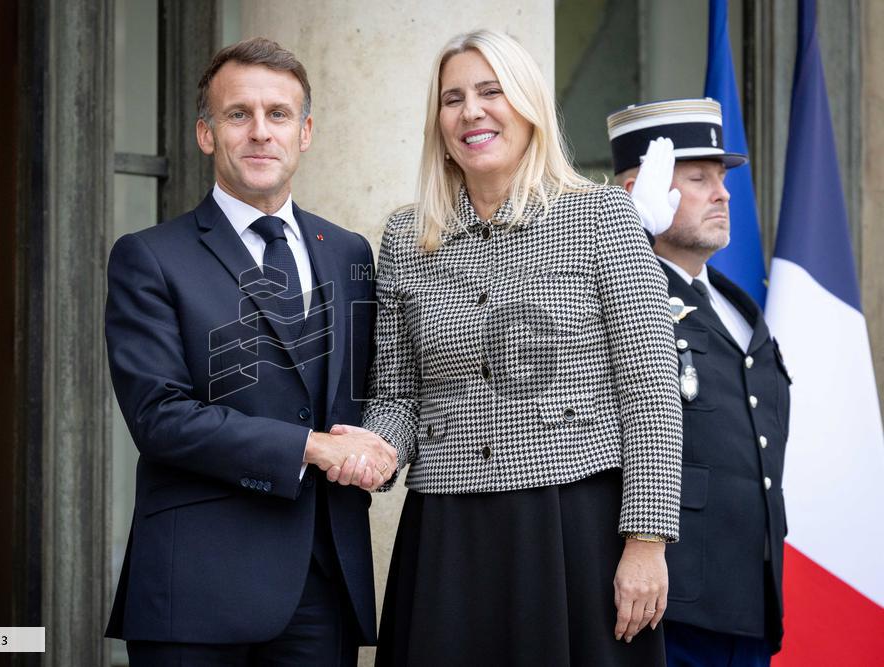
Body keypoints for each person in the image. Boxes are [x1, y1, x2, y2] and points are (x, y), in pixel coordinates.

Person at [337, 30, 683, 666]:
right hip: (447, 532)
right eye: (453, 98)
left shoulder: (601, 214)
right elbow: (396, 394)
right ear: (437, 123)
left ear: (528, 107)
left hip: (574, 528)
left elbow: (652, 391)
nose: (471, 111)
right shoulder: (405, 238)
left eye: (491, 91)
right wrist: (370, 453)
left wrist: (647, 542)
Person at [103, 37, 396, 666]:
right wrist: (313, 447)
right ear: (207, 134)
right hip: (196, 594)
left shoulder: (349, 253)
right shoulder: (150, 257)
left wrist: (380, 449)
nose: (261, 132)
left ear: (305, 132)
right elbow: (159, 418)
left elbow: (371, 391)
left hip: (325, 586)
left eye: (278, 114)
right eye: (239, 115)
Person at [608, 98, 790, 666]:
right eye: (697, 178)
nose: (724, 193)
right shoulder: (619, 297)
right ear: (645, 187)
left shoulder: (737, 308)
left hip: (749, 598)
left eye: (722, 179)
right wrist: (625, 235)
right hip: (668, 601)